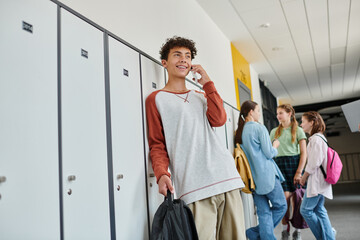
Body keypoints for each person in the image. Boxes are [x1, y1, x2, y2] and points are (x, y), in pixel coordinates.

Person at [145, 36, 246, 239]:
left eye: (188, 56)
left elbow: (219, 119)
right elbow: (157, 144)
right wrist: (162, 174)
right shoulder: (156, 99)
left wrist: (207, 83)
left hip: (226, 178)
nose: (183, 59)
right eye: (177, 55)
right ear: (164, 62)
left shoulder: (200, 97)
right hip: (194, 186)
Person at [235, 100, 287, 240]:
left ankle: (258, 235)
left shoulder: (240, 132)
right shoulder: (259, 128)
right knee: (281, 206)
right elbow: (269, 153)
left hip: (254, 179)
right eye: (258, 111)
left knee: (264, 212)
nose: (259, 114)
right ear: (251, 112)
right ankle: (256, 234)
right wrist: (275, 145)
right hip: (267, 175)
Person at [270, 104, 307, 240]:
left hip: (295, 164)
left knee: (296, 200)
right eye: (277, 113)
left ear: (289, 113)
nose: (278, 116)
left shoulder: (298, 130)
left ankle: (297, 230)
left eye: (281, 113)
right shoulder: (274, 131)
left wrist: (299, 172)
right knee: (283, 199)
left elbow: (304, 154)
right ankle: (285, 229)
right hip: (279, 166)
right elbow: (271, 151)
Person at [299, 111, 335, 240]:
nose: (301, 124)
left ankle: (326, 237)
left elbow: (314, 162)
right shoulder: (320, 138)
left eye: (303, 121)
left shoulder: (315, 139)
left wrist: (304, 177)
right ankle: (329, 236)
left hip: (317, 181)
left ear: (312, 122)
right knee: (319, 209)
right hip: (320, 180)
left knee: (306, 210)